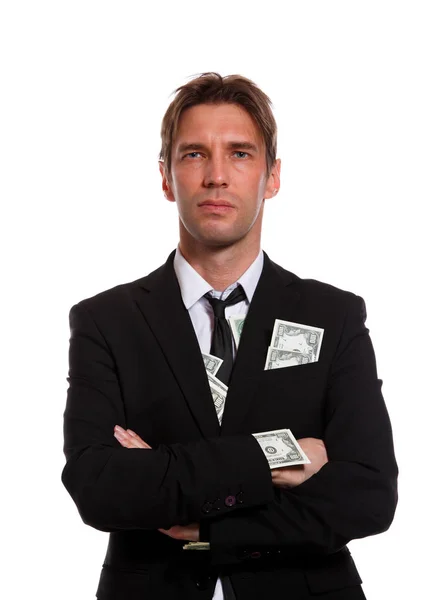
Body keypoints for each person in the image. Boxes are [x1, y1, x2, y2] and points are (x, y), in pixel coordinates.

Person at [61, 72, 398, 600]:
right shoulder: (106, 320)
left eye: (240, 154)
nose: (217, 175)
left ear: (272, 177)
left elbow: (368, 495)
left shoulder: (334, 315)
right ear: (167, 177)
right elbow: (99, 488)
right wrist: (277, 455)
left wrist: (213, 529)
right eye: (194, 154)